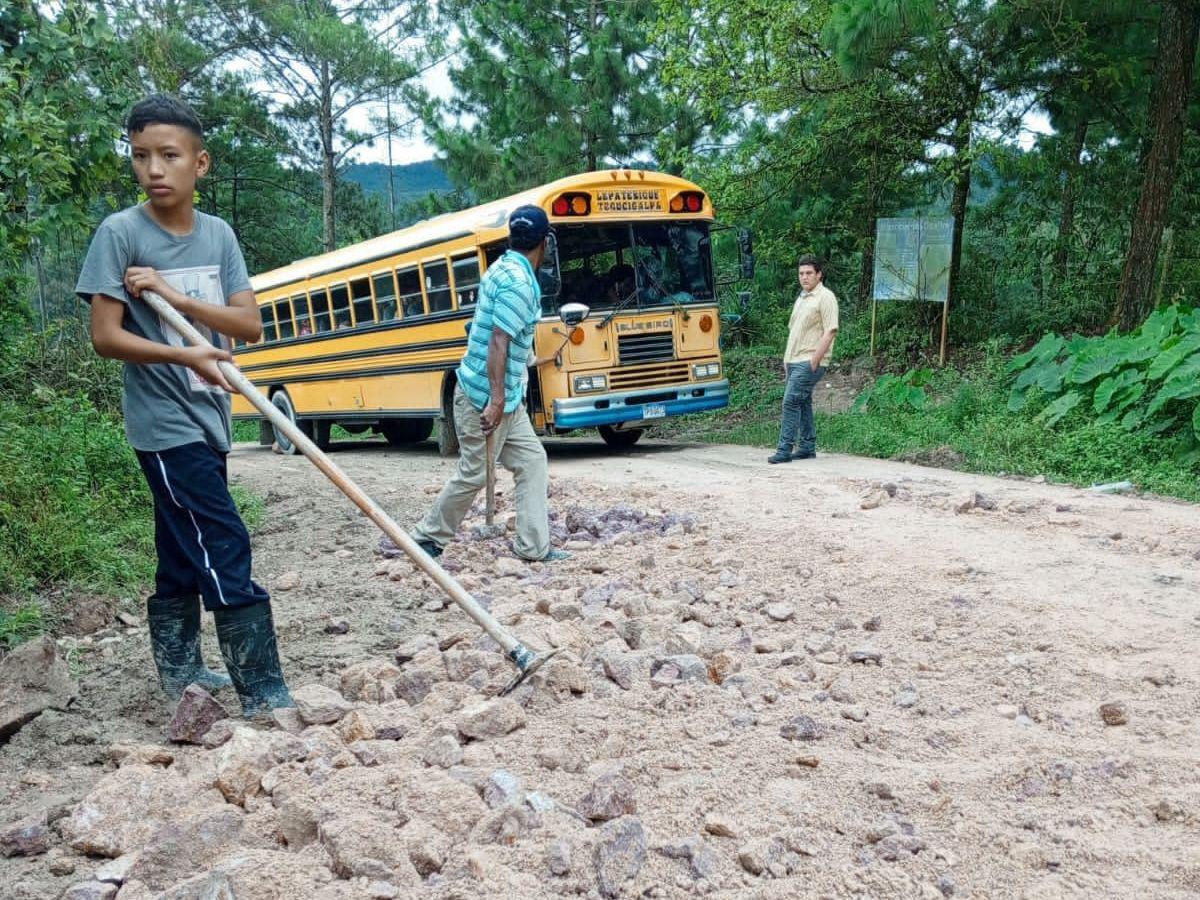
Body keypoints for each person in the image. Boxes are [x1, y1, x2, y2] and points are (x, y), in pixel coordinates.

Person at [75, 94, 292, 717]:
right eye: (141, 156)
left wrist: (176, 297)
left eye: (169, 155)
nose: (154, 169)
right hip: (163, 425)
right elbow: (105, 337)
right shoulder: (120, 234)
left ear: (201, 164)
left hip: (210, 415)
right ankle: (262, 689)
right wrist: (186, 357)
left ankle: (179, 670)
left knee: (181, 545)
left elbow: (247, 325)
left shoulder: (218, 235)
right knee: (222, 538)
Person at [410, 205, 569, 563]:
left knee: (532, 461)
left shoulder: (500, 268)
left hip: (508, 399)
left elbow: (501, 336)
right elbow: (499, 339)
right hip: (486, 399)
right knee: (472, 474)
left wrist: (509, 391)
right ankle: (426, 538)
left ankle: (533, 547)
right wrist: (495, 401)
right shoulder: (520, 284)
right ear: (545, 243)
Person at [768, 255, 839, 464]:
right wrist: (786, 359)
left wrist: (815, 360)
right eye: (801, 274)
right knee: (803, 401)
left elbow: (831, 330)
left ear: (819, 274)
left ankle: (784, 449)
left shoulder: (825, 297)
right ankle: (807, 447)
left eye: (809, 273)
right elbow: (794, 330)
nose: (804, 277)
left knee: (790, 402)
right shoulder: (802, 298)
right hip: (793, 360)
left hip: (809, 360)